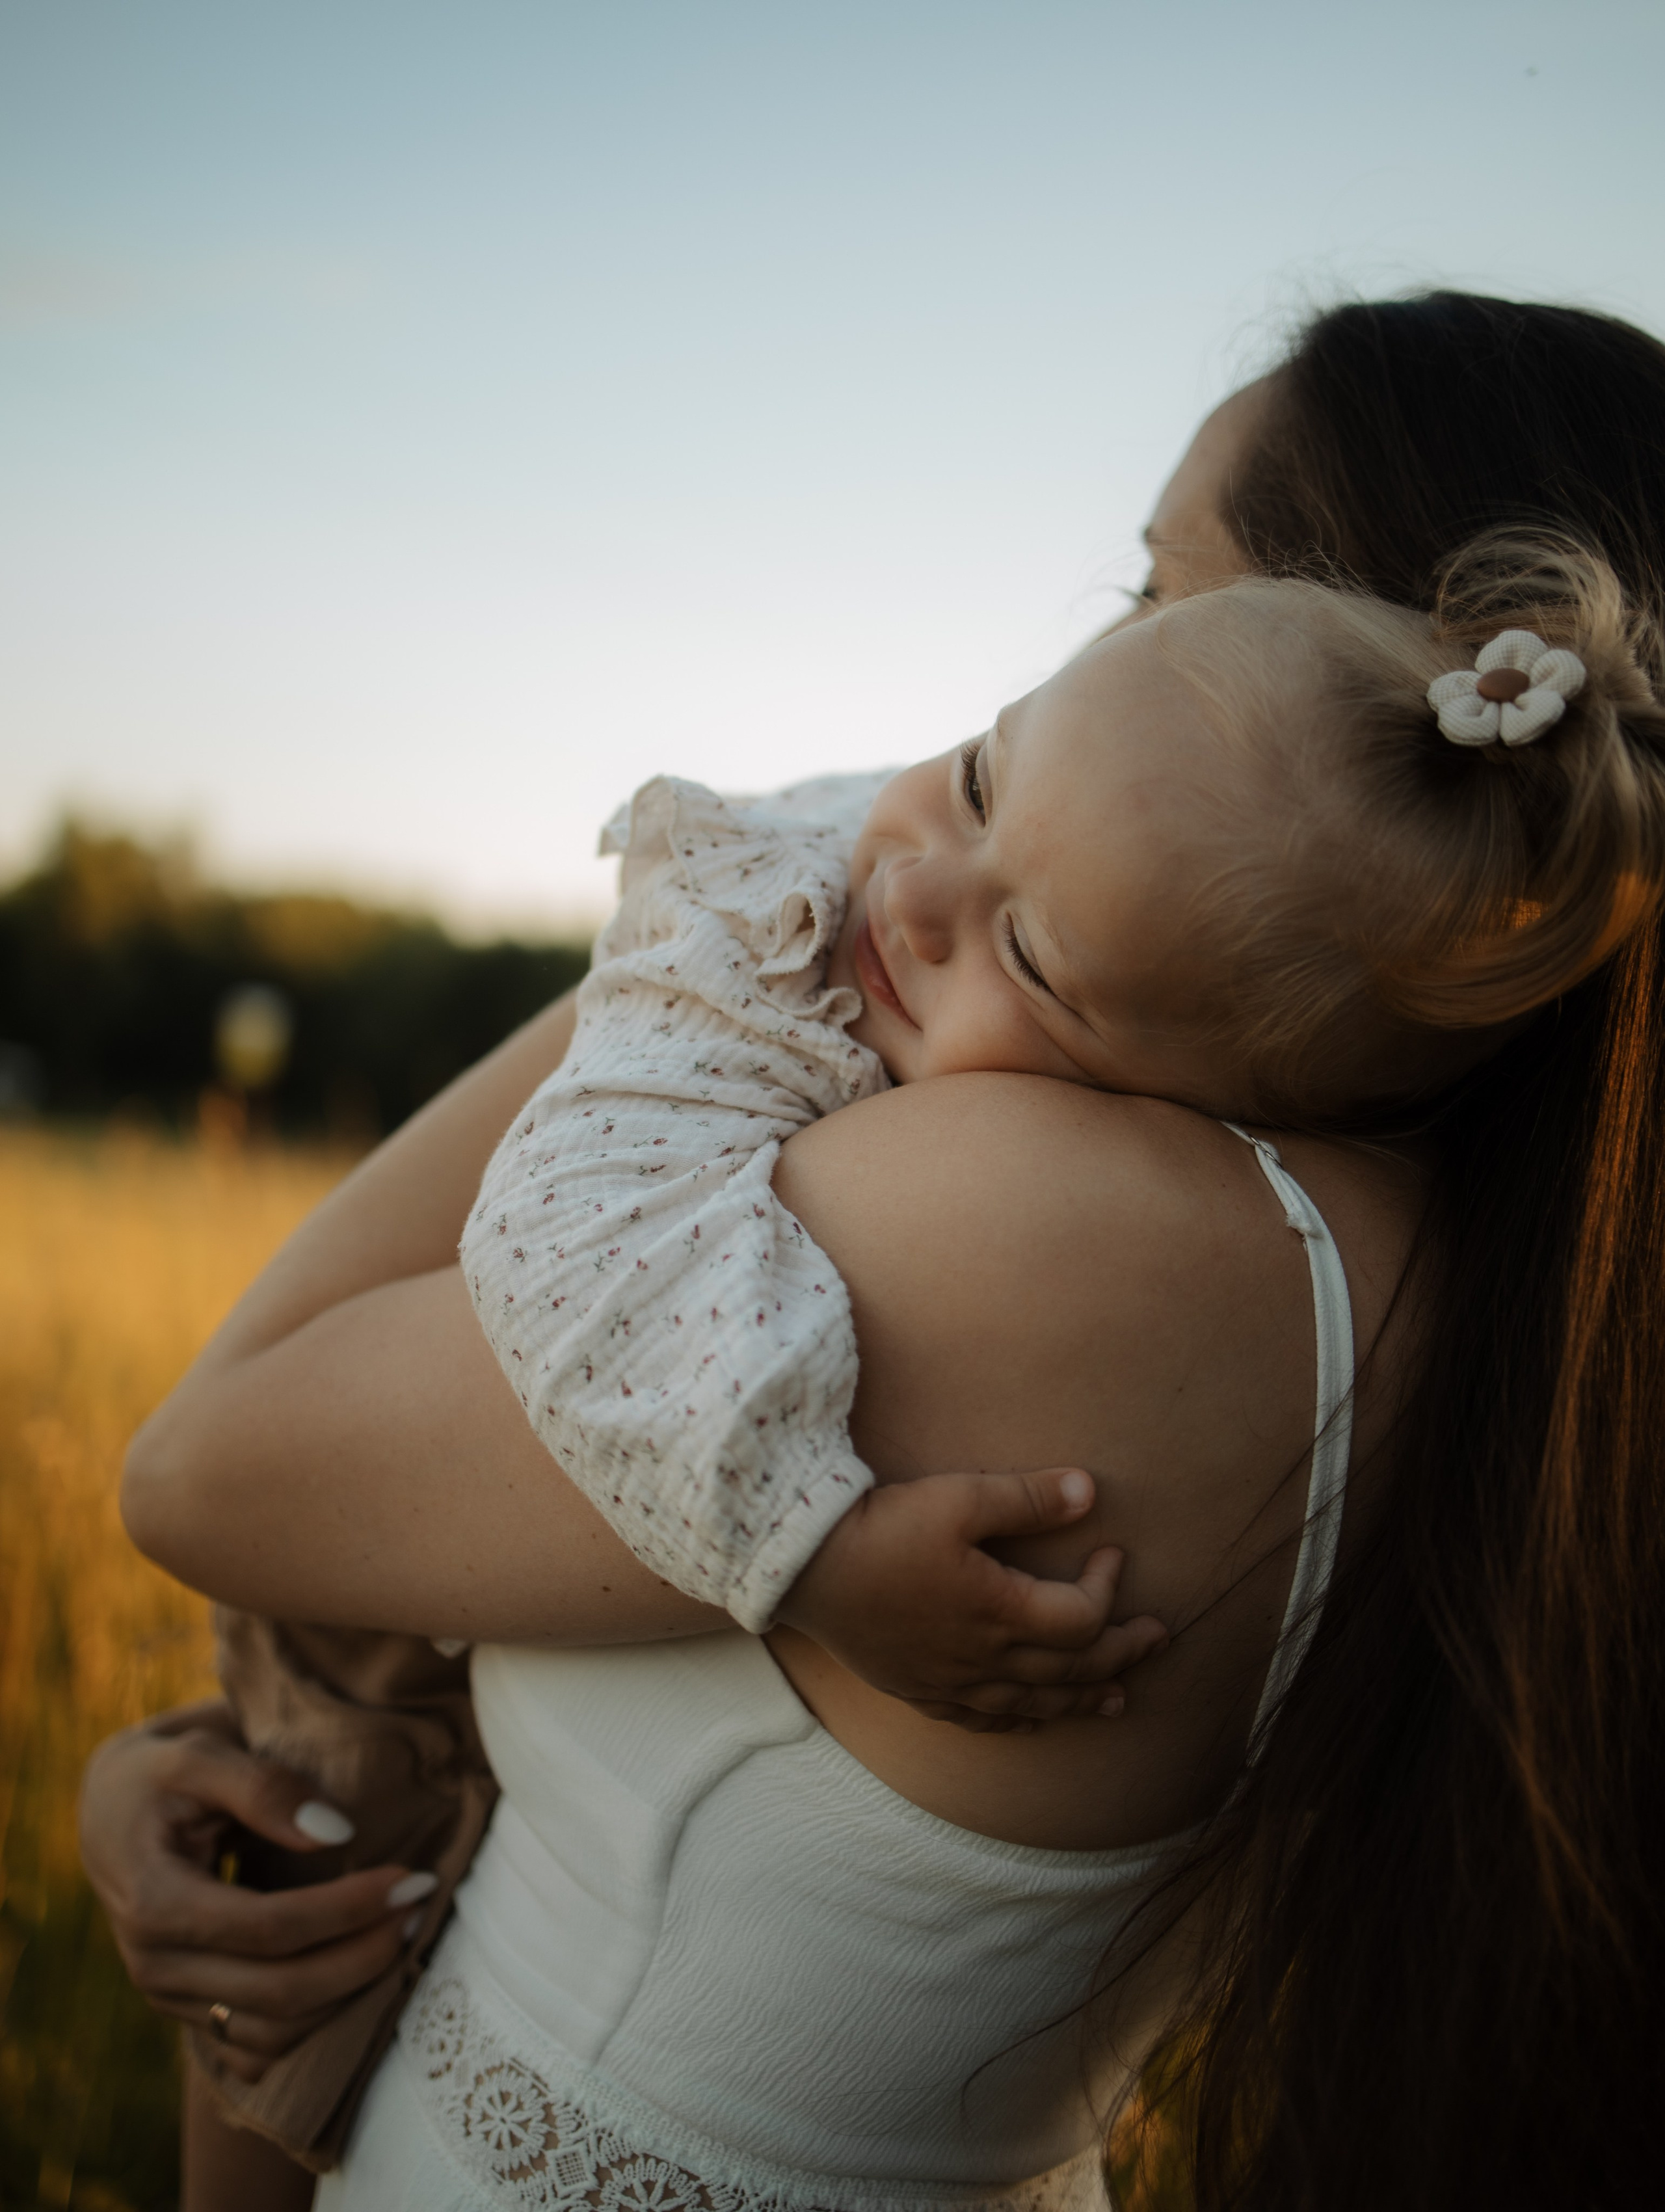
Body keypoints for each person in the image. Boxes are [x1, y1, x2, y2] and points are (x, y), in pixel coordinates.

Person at [81, 290, 1665, 2210]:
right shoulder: (1484, 1289)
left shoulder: (1064, 1218)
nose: (1095, 664)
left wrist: (755, 902)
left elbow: (210, 1468)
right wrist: (245, 1754)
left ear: (1380, 727)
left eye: (1166, 603)